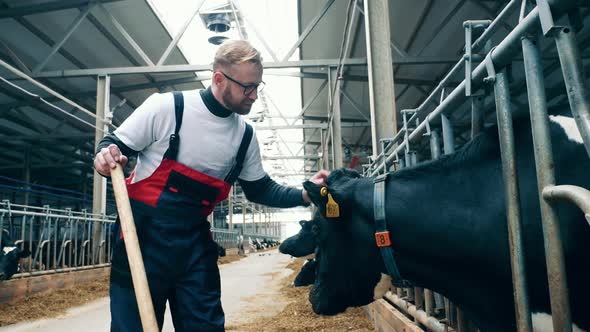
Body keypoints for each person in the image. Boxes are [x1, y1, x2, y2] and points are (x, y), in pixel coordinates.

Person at [94, 39, 328, 332]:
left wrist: (305, 194)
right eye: (247, 87)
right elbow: (112, 145)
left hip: (194, 248)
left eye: (258, 86)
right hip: (141, 244)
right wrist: (105, 157)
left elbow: (260, 188)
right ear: (219, 78)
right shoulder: (168, 108)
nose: (254, 95)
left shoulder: (244, 136)